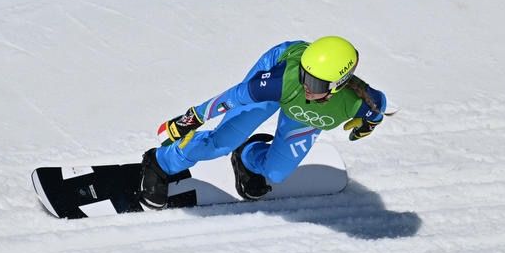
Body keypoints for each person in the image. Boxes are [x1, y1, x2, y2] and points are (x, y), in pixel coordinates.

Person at [138, 36, 387, 209]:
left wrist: (367, 126)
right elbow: (232, 97)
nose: (306, 85)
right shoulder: (284, 80)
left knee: (276, 173)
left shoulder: (358, 102)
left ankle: (247, 155)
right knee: (221, 142)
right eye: (304, 74)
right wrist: (192, 118)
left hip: (302, 111)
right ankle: (160, 162)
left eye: (316, 83)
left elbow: (377, 109)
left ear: (338, 85)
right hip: (278, 83)